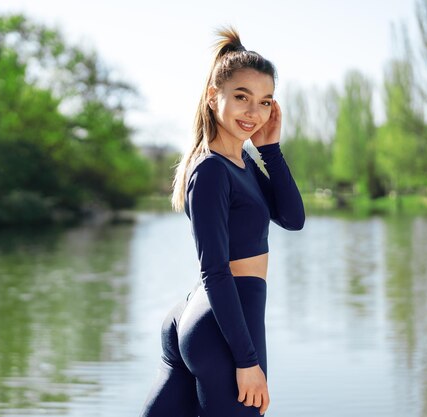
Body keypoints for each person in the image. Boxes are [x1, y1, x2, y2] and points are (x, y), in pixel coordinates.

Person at [139, 27, 305, 417]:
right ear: (214, 98)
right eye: (242, 97)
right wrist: (247, 363)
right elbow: (214, 270)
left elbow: (293, 218)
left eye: (265, 102)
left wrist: (271, 151)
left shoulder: (242, 163)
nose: (253, 112)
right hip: (225, 321)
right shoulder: (212, 170)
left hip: (204, 317)